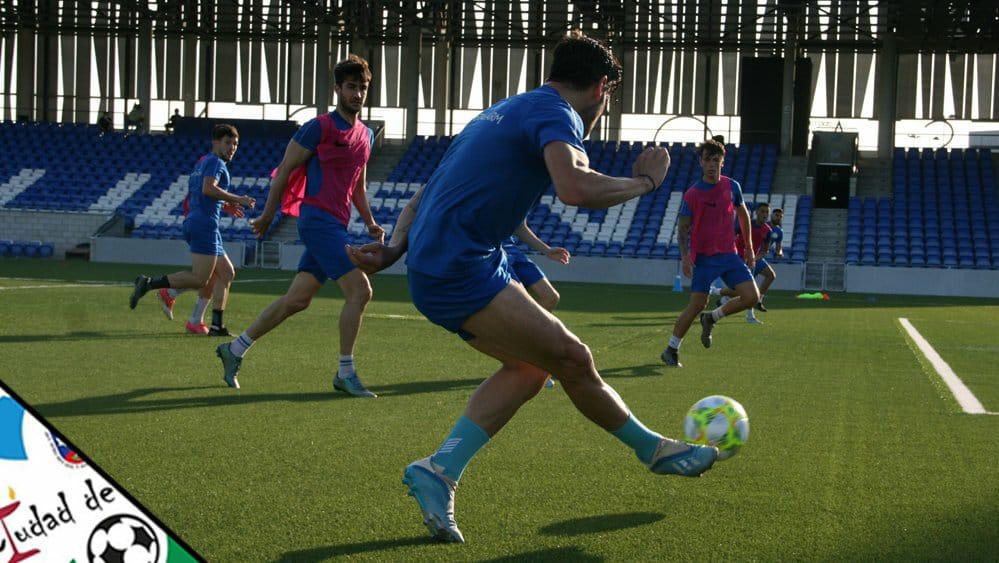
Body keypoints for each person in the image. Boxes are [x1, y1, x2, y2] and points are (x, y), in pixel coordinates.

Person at [346, 31, 718, 544]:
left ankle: (439, 471)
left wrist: (393, 250)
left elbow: (426, 192)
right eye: (608, 98)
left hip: (459, 257)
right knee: (573, 358)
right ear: (601, 87)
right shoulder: (558, 114)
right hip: (458, 266)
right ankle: (654, 450)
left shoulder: (505, 109)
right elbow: (575, 187)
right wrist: (647, 183)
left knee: (530, 367)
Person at [214, 56, 383, 394]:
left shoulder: (366, 134)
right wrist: (267, 215)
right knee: (361, 290)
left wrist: (371, 223)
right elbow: (285, 171)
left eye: (362, 88)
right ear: (337, 89)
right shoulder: (319, 126)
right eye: (351, 87)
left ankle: (234, 348)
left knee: (297, 299)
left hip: (337, 224)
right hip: (317, 221)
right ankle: (345, 373)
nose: (357, 94)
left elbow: (358, 188)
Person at [129, 124, 253, 338]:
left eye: (235, 144)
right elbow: (208, 189)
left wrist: (225, 205)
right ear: (215, 142)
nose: (232, 147)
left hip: (199, 221)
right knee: (199, 279)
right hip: (204, 224)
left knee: (226, 272)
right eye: (228, 142)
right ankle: (150, 284)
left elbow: (199, 194)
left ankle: (215, 326)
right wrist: (237, 199)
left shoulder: (202, 162)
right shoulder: (215, 162)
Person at [660, 139, 760, 368]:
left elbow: (743, 216)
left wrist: (749, 247)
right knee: (697, 305)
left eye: (716, 160)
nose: (712, 164)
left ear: (722, 163)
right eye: (708, 160)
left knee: (751, 297)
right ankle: (671, 348)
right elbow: (683, 229)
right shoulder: (693, 195)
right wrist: (685, 257)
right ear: (700, 162)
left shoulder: (732, 187)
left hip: (730, 256)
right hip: (704, 259)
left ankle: (711, 318)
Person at [503, 221, 570, 388]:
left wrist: (546, 250)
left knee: (550, 297)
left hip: (513, 251)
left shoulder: (517, 196)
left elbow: (520, 227)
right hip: (493, 253)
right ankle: (530, 362)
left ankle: (528, 356)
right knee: (521, 304)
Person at [716, 202, 775, 324]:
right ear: (756, 212)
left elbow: (764, 250)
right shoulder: (746, 223)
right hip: (739, 257)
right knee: (745, 289)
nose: (765, 214)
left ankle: (757, 301)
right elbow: (731, 236)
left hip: (753, 258)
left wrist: (755, 258)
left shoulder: (768, 230)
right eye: (762, 211)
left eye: (767, 212)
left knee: (770, 275)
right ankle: (748, 315)